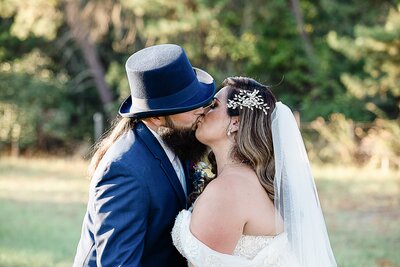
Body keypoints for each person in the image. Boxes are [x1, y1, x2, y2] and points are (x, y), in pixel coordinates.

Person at [73, 44, 216, 267]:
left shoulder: (180, 140)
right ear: (156, 118)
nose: (202, 109)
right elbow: (118, 263)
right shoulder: (124, 170)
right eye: (190, 105)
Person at [172, 77, 337, 266]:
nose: (202, 112)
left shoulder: (228, 190)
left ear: (235, 123)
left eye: (214, 106)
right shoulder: (253, 179)